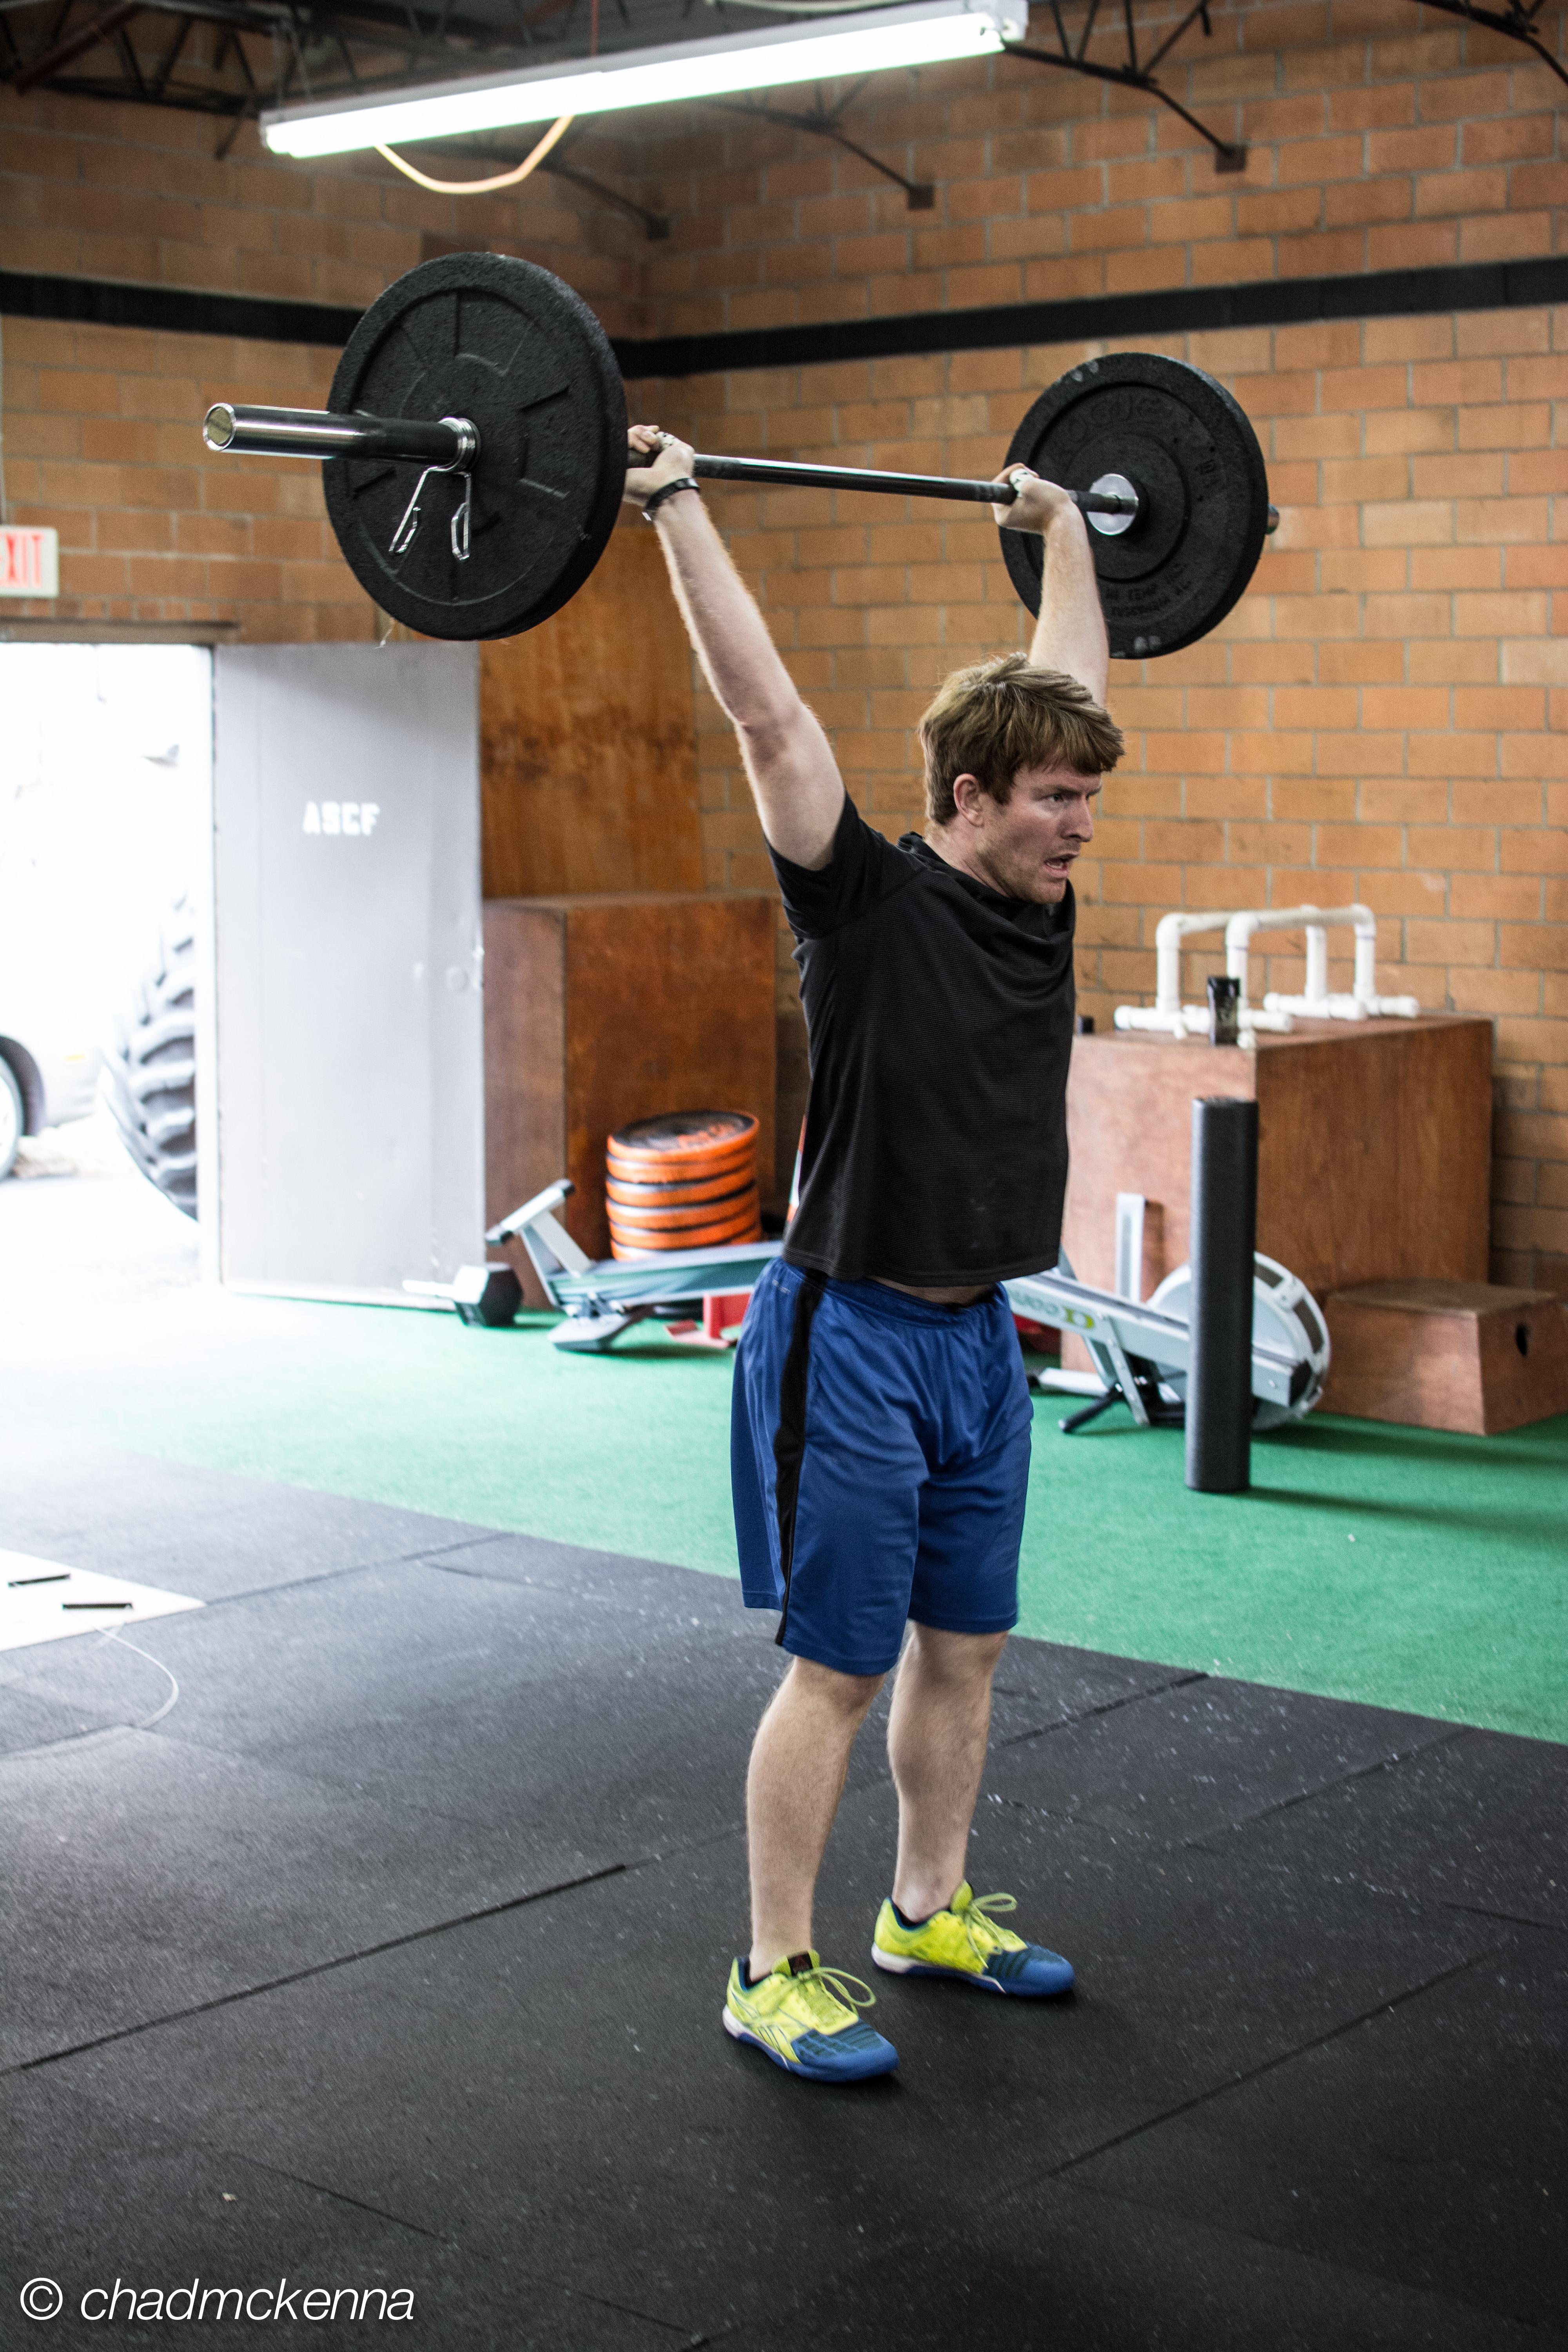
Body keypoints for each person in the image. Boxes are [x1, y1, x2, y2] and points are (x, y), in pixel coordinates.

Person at [624, 426, 1124, 2084]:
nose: (1081, 827)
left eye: (1088, 799)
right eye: (1057, 801)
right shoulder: (860, 902)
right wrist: (676, 506)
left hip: (982, 1342)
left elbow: (1067, 679)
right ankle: (770, 1967)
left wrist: (1066, 530)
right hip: (850, 1333)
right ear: (969, 799)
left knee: (964, 1650)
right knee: (839, 1666)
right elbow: (767, 716)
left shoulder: (1036, 901)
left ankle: (924, 1909)